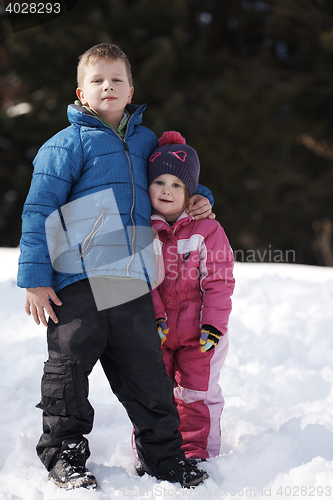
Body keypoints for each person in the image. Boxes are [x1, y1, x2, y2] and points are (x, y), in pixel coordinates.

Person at [17, 44, 214, 489]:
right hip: (78, 280)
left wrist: (202, 199)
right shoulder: (65, 145)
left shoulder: (147, 143)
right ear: (80, 93)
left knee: (146, 372)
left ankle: (163, 454)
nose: (107, 86)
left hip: (130, 278)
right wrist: (34, 279)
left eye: (117, 80)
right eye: (97, 80)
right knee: (68, 370)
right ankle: (64, 453)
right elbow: (37, 210)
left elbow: (176, 182)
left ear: (131, 91)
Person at [147, 131, 235, 463]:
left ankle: (196, 453)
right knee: (154, 394)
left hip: (202, 333)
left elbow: (220, 279)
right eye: (159, 183)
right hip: (158, 331)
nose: (167, 190)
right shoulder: (143, 231)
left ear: (191, 194)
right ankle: (153, 453)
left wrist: (213, 324)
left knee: (196, 394)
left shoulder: (207, 231)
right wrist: (153, 317)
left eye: (177, 185)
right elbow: (143, 281)